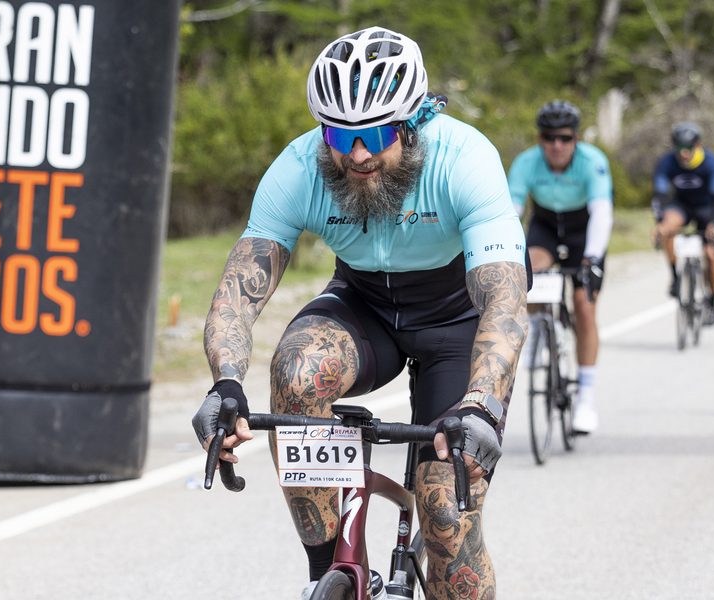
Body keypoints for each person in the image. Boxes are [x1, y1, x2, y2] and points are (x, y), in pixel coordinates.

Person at [191, 26, 528, 599]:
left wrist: (482, 403)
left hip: (457, 322)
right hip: (366, 304)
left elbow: (503, 298)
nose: (358, 155)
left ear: (415, 120)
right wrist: (224, 385)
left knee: (446, 515)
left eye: (376, 133)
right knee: (296, 371)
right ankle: (330, 572)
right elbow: (238, 290)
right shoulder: (300, 167)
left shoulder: (465, 158)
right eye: (339, 136)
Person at [507, 100, 613, 434]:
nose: (557, 145)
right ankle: (538, 325)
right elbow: (511, 212)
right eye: (550, 137)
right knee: (530, 271)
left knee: (584, 307)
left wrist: (592, 259)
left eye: (565, 138)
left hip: (583, 232)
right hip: (547, 227)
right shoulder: (526, 162)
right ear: (540, 139)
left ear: (576, 139)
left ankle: (586, 397)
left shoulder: (592, 161)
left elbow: (602, 213)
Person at [651, 121, 714, 325]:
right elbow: (659, 194)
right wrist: (660, 222)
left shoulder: (710, 162)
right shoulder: (667, 162)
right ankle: (676, 277)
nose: (683, 154)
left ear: (697, 145)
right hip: (682, 206)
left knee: (711, 255)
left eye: (688, 149)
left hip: (708, 208)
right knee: (667, 228)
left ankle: (711, 300)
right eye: (679, 150)